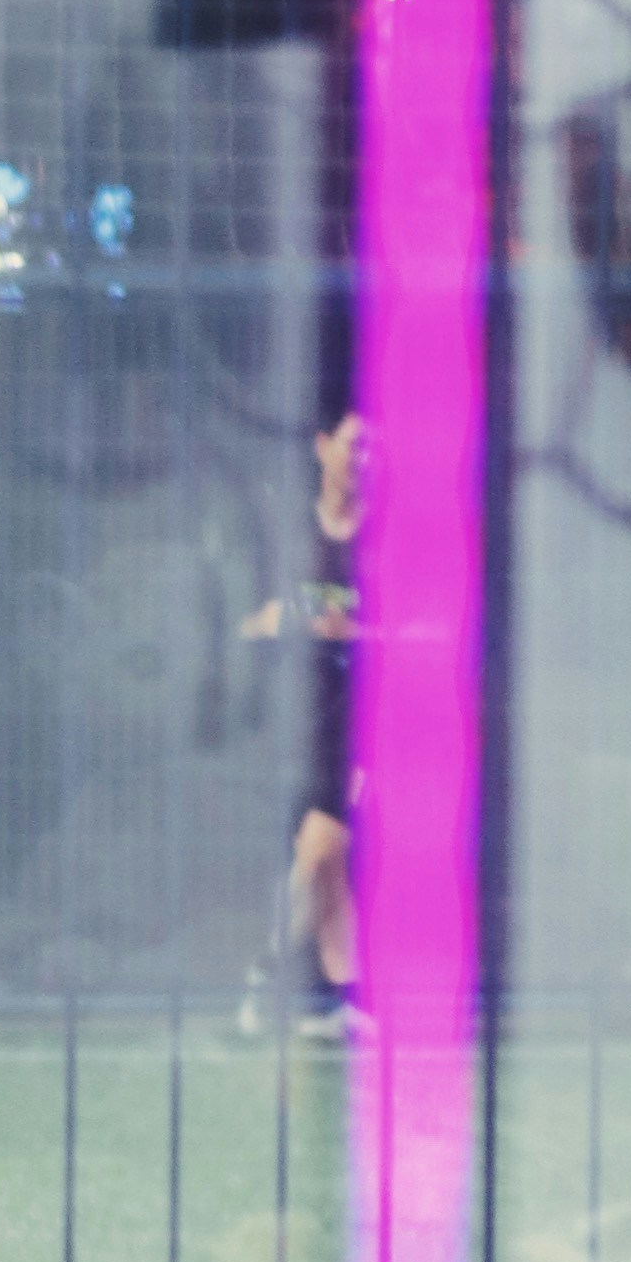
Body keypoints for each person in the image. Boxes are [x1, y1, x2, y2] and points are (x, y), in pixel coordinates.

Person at [238, 407, 368, 1031]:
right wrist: (274, 624)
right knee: (327, 866)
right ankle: (348, 999)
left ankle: (270, 969)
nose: (365, 459)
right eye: (354, 444)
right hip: (295, 723)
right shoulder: (287, 535)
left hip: (363, 726)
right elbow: (246, 621)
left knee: (320, 850)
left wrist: (357, 632)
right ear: (323, 447)